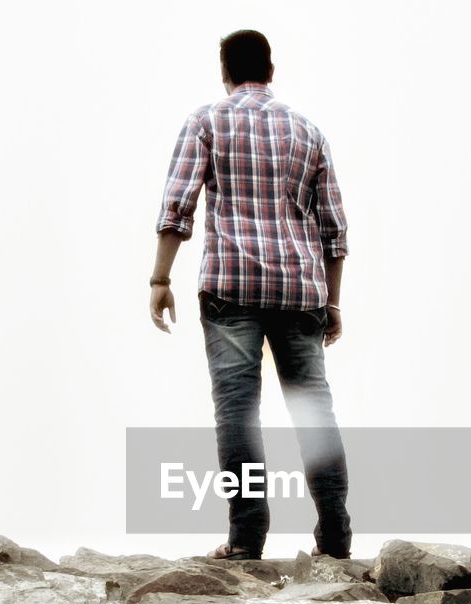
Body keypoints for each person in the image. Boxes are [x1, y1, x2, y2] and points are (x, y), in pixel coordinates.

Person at [149, 29, 352, 561]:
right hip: (299, 287)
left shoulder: (206, 122)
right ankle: (335, 535)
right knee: (313, 410)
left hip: (231, 289)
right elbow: (335, 230)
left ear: (225, 71)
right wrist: (331, 301)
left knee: (237, 413)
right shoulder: (306, 131)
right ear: (270, 70)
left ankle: (246, 539)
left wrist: (160, 279)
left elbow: (178, 206)